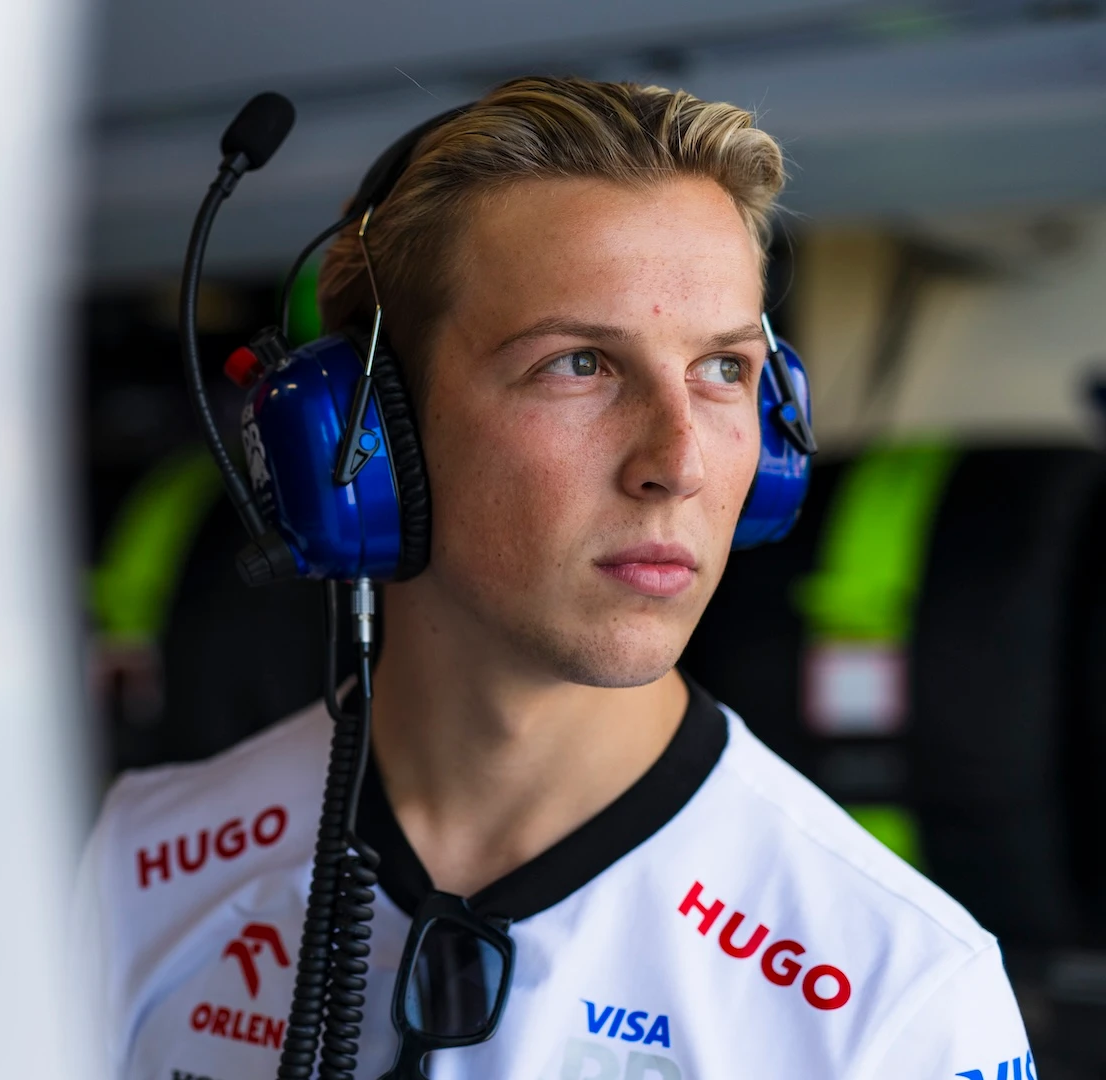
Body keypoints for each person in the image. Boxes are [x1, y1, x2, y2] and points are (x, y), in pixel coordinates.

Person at [74, 76, 1033, 1080]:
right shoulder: (137, 867)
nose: (679, 462)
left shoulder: (899, 995)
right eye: (578, 363)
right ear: (367, 434)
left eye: (723, 370)